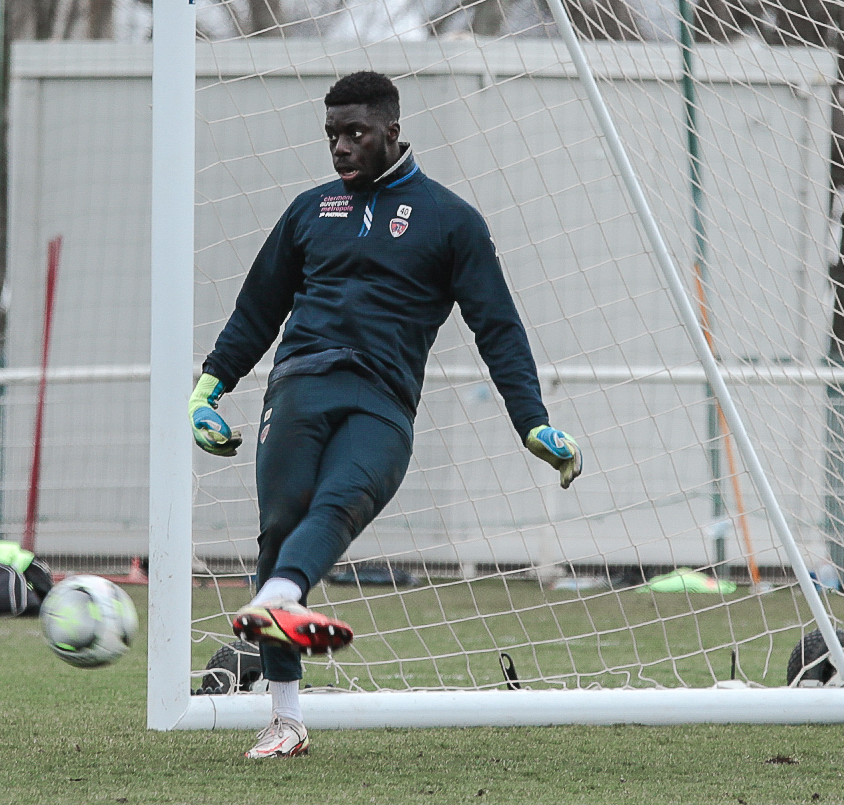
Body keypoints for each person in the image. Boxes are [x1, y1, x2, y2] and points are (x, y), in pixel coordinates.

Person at [189, 71, 582, 759]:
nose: (340, 147)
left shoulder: (450, 220)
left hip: (382, 400)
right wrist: (210, 388)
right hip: (298, 384)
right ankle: (284, 719)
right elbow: (258, 307)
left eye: (355, 133)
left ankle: (281, 596)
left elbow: (499, 327)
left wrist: (532, 420)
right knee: (279, 528)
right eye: (332, 135)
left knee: (341, 501)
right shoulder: (310, 211)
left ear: (392, 131)